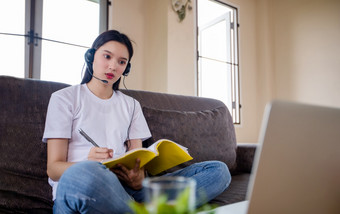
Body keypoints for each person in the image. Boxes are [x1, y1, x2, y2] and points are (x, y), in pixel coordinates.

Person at [43, 29, 231, 213]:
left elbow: (137, 156)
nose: (113, 67)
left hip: (126, 190)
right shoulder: (64, 99)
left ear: (126, 68)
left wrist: (138, 177)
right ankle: (149, 209)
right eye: (107, 56)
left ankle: (137, 208)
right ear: (91, 56)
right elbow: (53, 168)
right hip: (81, 186)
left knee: (218, 171)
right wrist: (87, 164)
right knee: (86, 174)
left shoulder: (131, 105)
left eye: (121, 62)